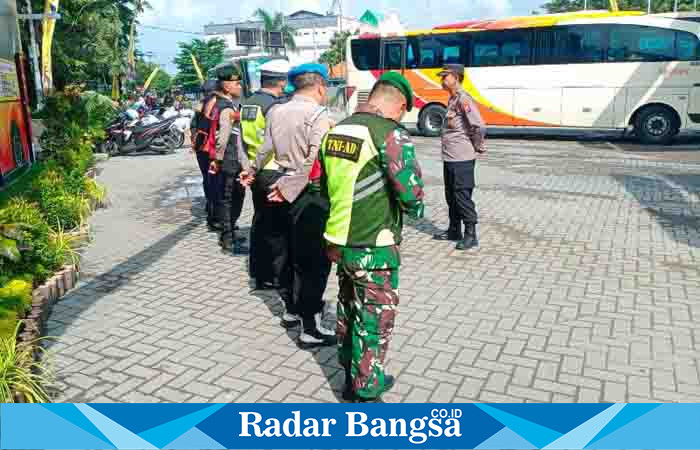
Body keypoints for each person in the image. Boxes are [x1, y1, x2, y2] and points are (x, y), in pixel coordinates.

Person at [318, 72, 425, 402]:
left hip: (339, 242)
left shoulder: (337, 130)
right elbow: (410, 194)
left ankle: (350, 373)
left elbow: (325, 186)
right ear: (400, 105)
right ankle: (366, 387)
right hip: (374, 246)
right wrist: (416, 209)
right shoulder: (389, 134)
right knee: (375, 318)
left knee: (349, 309)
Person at [240, 63, 335, 348]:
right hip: (304, 191)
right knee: (312, 260)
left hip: (276, 182)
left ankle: (291, 310)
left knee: (282, 251)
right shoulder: (319, 114)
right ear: (320, 86)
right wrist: (289, 188)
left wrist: (253, 170)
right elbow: (312, 159)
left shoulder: (277, 110)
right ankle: (310, 327)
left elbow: (265, 147)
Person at [240, 59, 291, 290]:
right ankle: (278, 276)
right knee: (278, 228)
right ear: (281, 81)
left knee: (260, 222)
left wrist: (247, 168)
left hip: (256, 171)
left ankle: (260, 274)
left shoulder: (248, 103)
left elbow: (238, 139)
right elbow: (272, 143)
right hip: (272, 170)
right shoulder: (275, 107)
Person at [432, 64, 486, 251]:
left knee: (462, 196)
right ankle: (454, 230)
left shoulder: (464, 100)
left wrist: (477, 146)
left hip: (462, 158)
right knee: (451, 196)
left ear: (455, 77)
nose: (442, 80)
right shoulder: (452, 100)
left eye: (445, 76)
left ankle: (471, 234)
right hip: (450, 157)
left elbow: (478, 126)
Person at [207, 63, 249, 254]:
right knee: (230, 199)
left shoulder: (221, 103)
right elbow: (223, 138)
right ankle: (228, 239)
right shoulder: (225, 108)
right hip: (230, 160)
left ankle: (230, 232)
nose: (240, 87)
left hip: (229, 159)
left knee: (230, 198)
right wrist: (218, 159)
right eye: (237, 84)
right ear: (226, 86)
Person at [190, 79, 219, 229]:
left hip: (201, 149)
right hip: (210, 150)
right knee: (214, 182)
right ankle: (214, 218)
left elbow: (193, 128)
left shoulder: (199, 107)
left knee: (208, 180)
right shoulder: (213, 105)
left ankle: (210, 210)